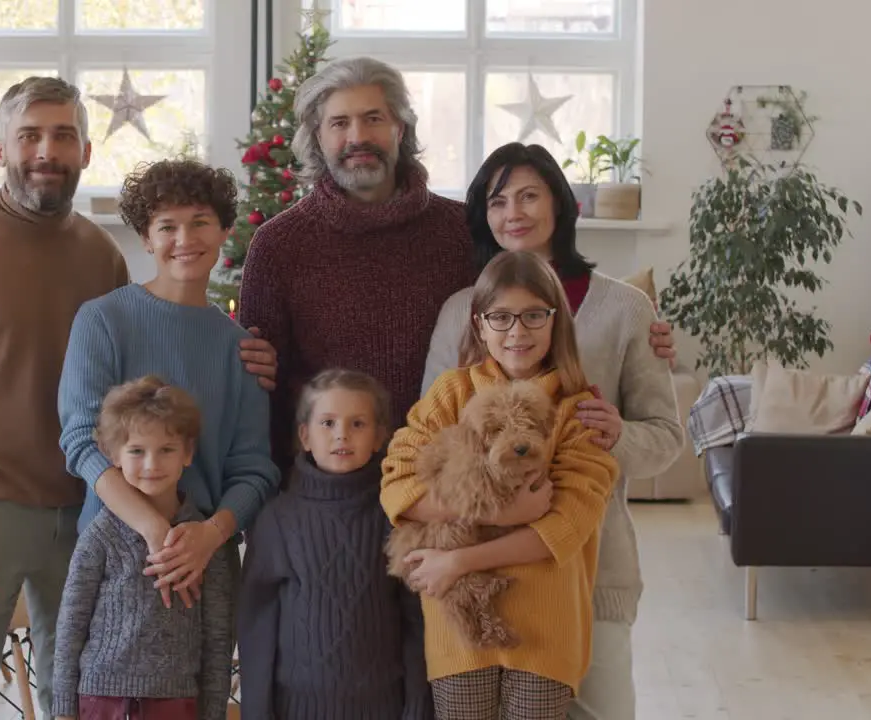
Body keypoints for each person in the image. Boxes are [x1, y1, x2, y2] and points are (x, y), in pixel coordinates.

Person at [0, 77, 275, 718]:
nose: (46, 151)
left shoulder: (97, 254)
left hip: (94, 516)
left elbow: (143, 388)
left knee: (79, 695)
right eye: (29, 135)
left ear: (86, 152)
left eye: (63, 136)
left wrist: (247, 353)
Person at [237, 56, 675, 473]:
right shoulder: (277, 245)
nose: (357, 137)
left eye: (373, 118)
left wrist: (639, 330)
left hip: (455, 485)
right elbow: (258, 385)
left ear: (400, 128)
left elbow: (536, 304)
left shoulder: (462, 230)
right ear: (317, 136)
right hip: (324, 485)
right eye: (339, 122)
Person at [422, 143, 684, 720]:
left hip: (591, 563)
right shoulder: (462, 312)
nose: (513, 211)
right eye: (497, 200)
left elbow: (665, 439)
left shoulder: (626, 310)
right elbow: (428, 442)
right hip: (477, 565)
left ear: (559, 205)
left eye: (529, 195)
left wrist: (619, 435)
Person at [380, 250, 620, 719]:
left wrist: (458, 561)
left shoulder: (577, 408)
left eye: (534, 315)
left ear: (556, 321)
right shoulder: (451, 393)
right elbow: (396, 485)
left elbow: (568, 526)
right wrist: (501, 514)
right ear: (479, 324)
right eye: (501, 317)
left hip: (546, 630)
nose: (517, 331)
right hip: (459, 629)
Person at [58, 157, 281, 612]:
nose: (185, 240)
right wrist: (156, 531)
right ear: (145, 238)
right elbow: (82, 442)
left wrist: (208, 536)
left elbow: (255, 471)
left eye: (200, 222)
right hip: (113, 557)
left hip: (206, 563)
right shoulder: (102, 321)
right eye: (167, 226)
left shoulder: (241, 349)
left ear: (224, 232)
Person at [237, 368, 432, 720]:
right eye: (327, 423)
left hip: (384, 706)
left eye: (357, 424)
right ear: (305, 436)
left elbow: (417, 621)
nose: (342, 434)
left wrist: (418, 705)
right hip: (295, 708)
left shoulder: (396, 515)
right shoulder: (278, 519)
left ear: (379, 437)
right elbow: (256, 626)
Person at [53, 376, 232, 720]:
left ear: (188, 453)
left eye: (166, 449)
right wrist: (62, 709)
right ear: (113, 455)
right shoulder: (100, 537)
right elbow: (70, 627)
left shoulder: (206, 545)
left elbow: (217, 641)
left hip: (177, 704)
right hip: (99, 700)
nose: (152, 464)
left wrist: (214, 713)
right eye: (137, 450)